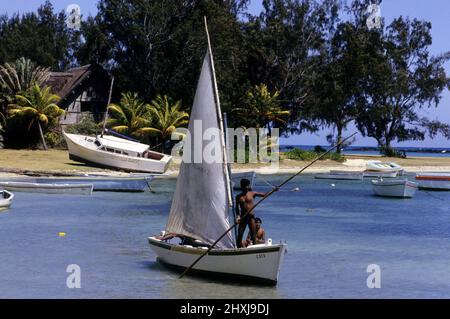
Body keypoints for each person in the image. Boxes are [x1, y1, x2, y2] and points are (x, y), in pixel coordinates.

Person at [235, 178, 270, 248]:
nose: (247, 187)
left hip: (251, 217)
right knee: (239, 236)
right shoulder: (238, 197)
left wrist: (273, 190)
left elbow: (264, 195)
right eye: (245, 186)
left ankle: (254, 250)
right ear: (242, 186)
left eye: (248, 186)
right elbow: (237, 208)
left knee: (253, 235)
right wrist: (238, 216)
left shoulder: (252, 193)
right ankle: (239, 250)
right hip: (243, 218)